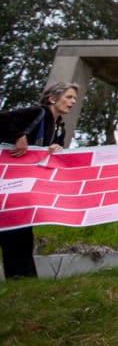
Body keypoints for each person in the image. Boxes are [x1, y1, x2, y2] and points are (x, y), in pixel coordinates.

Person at [0, 82, 80, 278]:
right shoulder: (36, 113)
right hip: (7, 179)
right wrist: (19, 136)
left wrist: (56, 148)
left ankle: (22, 277)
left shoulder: (59, 127)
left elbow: (57, 153)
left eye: (74, 99)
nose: (73, 102)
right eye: (69, 97)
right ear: (52, 99)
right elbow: (2, 119)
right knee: (15, 228)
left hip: (23, 187)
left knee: (21, 228)